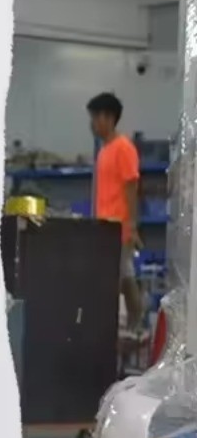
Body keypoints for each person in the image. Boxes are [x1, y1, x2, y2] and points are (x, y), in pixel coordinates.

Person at [87, 92, 143, 331]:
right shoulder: (104, 150)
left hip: (118, 227)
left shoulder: (124, 148)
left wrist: (131, 225)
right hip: (104, 225)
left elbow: (131, 187)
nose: (92, 123)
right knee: (124, 277)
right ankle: (134, 326)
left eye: (95, 117)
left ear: (109, 118)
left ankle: (120, 328)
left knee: (115, 281)